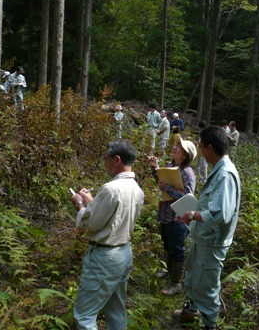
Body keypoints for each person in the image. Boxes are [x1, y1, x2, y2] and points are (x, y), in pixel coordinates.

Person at [70, 140, 145, 330]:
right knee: (116, 309)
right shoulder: (137, 189)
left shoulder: (111, 189)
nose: (105, 163)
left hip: (104, 258)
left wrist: (80, 204)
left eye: (106, 159)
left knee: (85, 315)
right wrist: (93, 202)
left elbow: (90, 223)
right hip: (123, 253)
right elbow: (114, 219)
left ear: (117, 159)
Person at [173, 125, 241, 330]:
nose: (200, 151)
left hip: (213, 242)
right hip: (203, 238)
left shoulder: (225, 175)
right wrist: (192, 217)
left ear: (210, 148)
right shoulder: (219, 170)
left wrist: (192, 214)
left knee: (208, 285)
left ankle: (210, 325)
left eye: (201, 146)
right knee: (194, 276)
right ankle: (191, 311)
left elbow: (221, 214)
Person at [147, 134, 196, 296]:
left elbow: (188, 198)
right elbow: (161, 184)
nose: (175, 148)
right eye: (176, 146)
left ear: (186, 155)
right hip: (166, 214)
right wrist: (155, 168)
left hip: (178, 218)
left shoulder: (188, 174)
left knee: (177, 249)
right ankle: (170, 272)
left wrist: (167, 188)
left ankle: (177, 283)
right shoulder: (170, 166)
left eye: (180, 148)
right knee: (167, 245)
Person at [195, 120, 208, 185]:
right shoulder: (201, 133)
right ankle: (198, 178)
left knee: (203, 166)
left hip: (204, 153)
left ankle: (204, 180)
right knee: (197, 166)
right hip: (199, 152)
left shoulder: (207, 134)